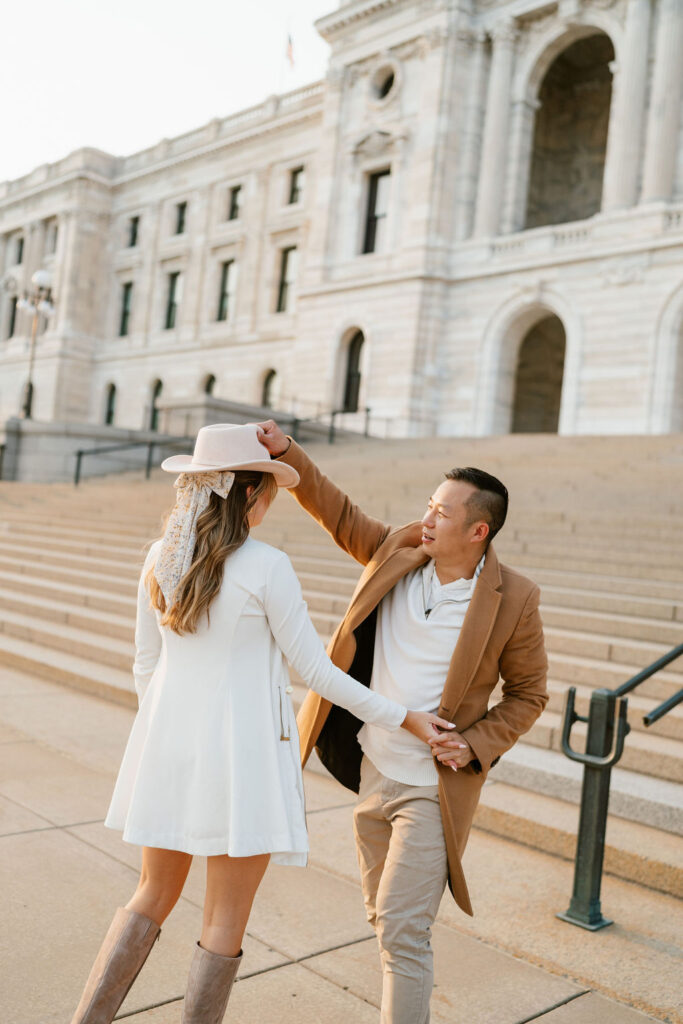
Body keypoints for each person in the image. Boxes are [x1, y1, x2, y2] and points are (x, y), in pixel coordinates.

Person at [69, 423, 452, 1024]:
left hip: (166, 748)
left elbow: (147, 663)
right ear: (250, 495)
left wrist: (168, 731)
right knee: (223, 918)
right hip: (241, 760)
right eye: (269, 489)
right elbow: (318, 674)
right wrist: (405, 717)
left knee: (150, 895)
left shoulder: (160, 554)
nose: (271, 501)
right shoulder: (266, 565)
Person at [256, 419, 549, 1024]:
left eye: (441, 511)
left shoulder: (514, 598)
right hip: (372, 769)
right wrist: (288, 452)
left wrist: (471, 746)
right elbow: (337, 512)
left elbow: (529, 694)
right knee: (384, 918)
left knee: (401, 930)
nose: (428, 518)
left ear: (478, 530)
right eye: (428, 505)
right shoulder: (398, 549)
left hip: (431, 790)